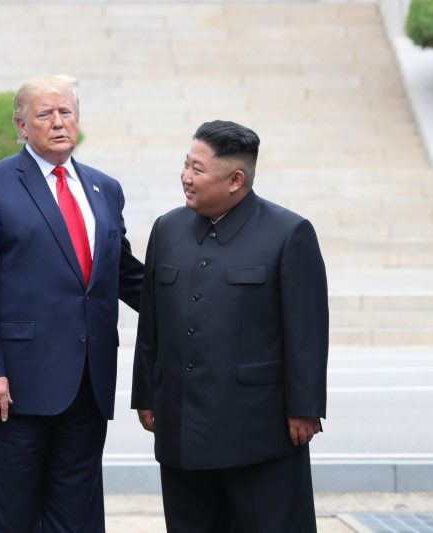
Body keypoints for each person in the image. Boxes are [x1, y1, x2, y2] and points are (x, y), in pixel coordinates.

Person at [0, 74, 143, 533]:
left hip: (87, 383)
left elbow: (124, 274)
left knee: (80, 514)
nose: (58, 123)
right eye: (45, 114)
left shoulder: (104, 189)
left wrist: (195, 307)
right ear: (21, 126)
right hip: (12, 387)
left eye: (66, 112)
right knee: (16, 515)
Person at [131, 120, 328, 532]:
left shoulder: (288, 233)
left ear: (236, 179)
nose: (186, 177)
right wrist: (146, 395)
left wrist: (305, 408)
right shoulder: (167, 229)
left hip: (259, 429)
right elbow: (151, 323)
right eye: (186, 164)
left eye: (198, 169)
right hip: (181, 425)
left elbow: (306, 331)